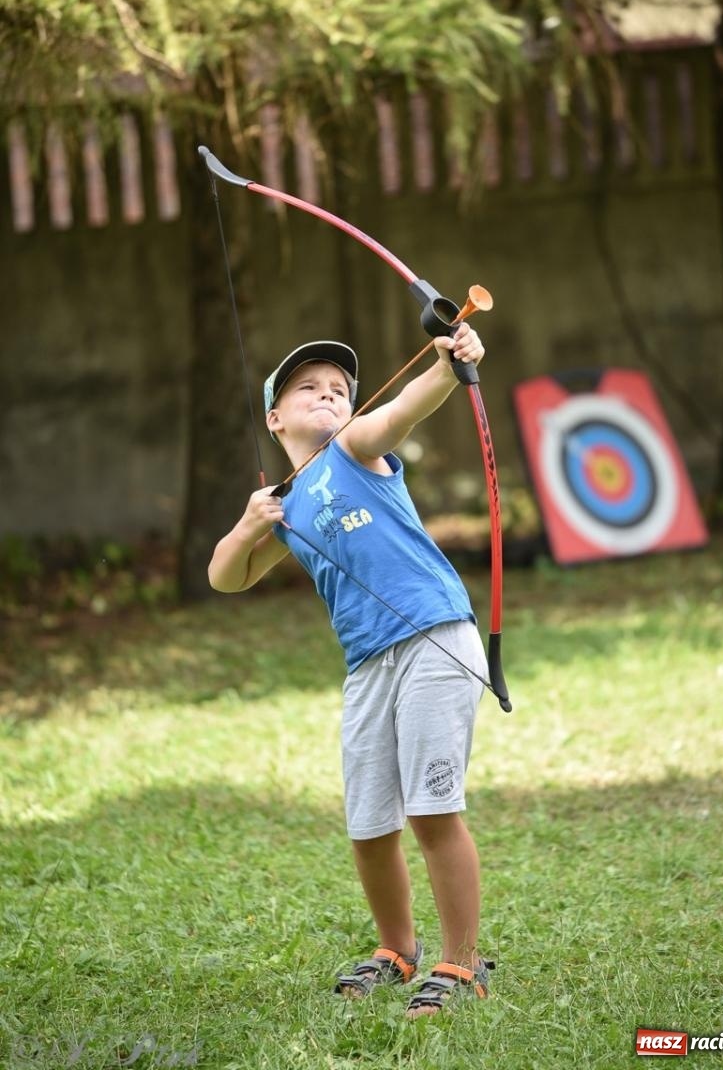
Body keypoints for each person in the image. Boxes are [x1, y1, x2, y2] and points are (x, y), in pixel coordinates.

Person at [207, 322, 494, 1017]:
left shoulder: (356, 448)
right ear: (274, 418)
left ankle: (462, 963)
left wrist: (448, 364)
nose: (328, 396)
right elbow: (225, 577)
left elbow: (403, 409)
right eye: (308, 388)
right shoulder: (285, 505)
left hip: (434, 637)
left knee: (431, 810)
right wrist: (248, 527)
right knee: (369, 824)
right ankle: (397, 949)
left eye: (338, 389)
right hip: (367, 662)